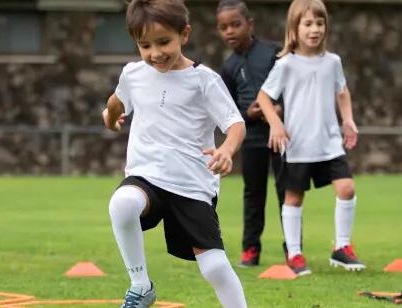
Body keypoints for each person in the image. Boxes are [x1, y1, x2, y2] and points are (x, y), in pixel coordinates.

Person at [101, 0, 248, 306]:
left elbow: (235, 124)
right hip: (147, 177)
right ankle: (141, 286)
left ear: (185, 34)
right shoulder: (133, 74)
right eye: (145, 45)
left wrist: (226, 149)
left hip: (192, 186)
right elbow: (115, 103)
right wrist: (112, 116)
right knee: (122, 204)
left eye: (164, 42)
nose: (155, 53)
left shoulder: (204, 80)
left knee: (215, 267)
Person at [255, 0, 364, 276]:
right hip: (298, 146)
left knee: (347, 189)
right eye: (308, 23)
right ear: (295, 28)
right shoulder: (286, 64)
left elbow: (342, 91)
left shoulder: (333, 62)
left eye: (319, 23)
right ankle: (294, 254)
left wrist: (348, 119)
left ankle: (342, 248)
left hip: (329, 144)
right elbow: (264, 98)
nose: (314, 29)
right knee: (293, 198)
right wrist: (276, 124)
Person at [215, 0, 284, 267]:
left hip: (281, 135)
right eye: (223, 27)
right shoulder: (229, 67)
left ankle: (293, 250)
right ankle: (250, 250)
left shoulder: (273, 53)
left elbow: (291, 89)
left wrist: (278, 108)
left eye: (235, 24)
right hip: (252, 138)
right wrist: (249, 115)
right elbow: (229, 112)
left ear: (249, 24)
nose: (229, 31)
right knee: (253, 194)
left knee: (287, 193)